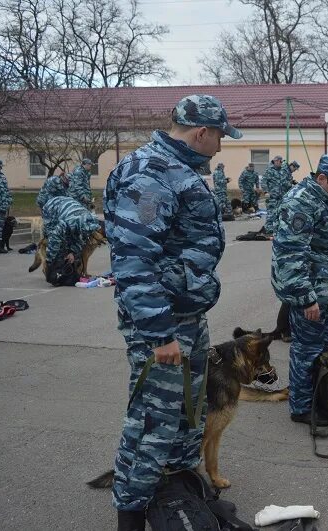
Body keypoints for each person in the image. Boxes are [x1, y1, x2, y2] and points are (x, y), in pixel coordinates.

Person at [103, 94, 240, 528]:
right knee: (152, 424)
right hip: (163, 325)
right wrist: (160, 333)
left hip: (186, 318)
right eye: (219, 136)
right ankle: (131, 514)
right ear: (201, 132)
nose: (220, 146)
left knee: (189, 411)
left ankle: (181, 494)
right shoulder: (149, 175)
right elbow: (133, 259)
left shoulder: (179, 169)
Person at [271, 155, 328, 424]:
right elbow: (290, 254)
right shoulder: (301, 203)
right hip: (308, 289)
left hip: (325, 283)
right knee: (307, 349)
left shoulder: (327, 200)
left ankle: (319, 398)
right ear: (322, 179)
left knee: (320, 345)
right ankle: (302, 408)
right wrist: (306, 299)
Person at [41, 195, 100, 268]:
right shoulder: (66, 223)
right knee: (54, 239)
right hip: (51, 208)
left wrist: (72, 252)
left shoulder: (91, 220)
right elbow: (54, 238)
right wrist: (49, 260)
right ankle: (51, 263)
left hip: (69, 206)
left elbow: (80, 239)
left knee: (72, 240)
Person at [262, 155, 290, 235]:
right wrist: (266, 192)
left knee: (281, 213)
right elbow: (264, 182)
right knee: (271, 213)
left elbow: (286, 182)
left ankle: (278, 229)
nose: (280, 163)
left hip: (281, 196)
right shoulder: (269, 170)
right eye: (279, 161)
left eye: (281, 162)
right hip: (272, 197)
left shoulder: (283, 171)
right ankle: (269, 230)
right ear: (275, 161)